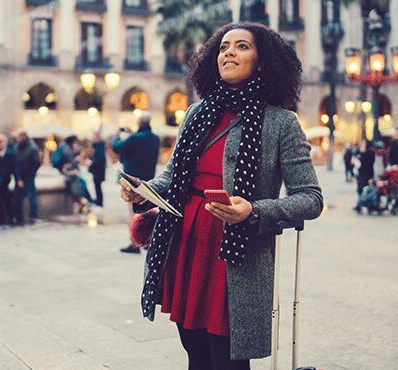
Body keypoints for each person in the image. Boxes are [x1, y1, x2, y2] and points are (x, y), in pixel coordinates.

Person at [119, 22, 322, 368]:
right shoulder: (198, 113)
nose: (228, 52)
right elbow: (173, 177)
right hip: (186, 242)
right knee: (194, 348)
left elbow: (311, 198)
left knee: (226, 357)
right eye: (224, 47)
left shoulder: (281, 123)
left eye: (242, 46)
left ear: (263, 62)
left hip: (234, 253)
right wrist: (144, 190)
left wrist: (254, 210)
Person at [112, 112, 160, 254]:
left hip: (133, 180)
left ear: (139, 123)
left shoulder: (134, 138)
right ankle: (146, 240)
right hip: (149, 178)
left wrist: (118, 135)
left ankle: (135, 243)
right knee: (146, 211)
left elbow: (116, 147)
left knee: (133, 212)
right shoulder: (156, 139)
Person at [13, 129, 42, 224]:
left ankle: (33, 215)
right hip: (19, 176)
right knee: (18, 197)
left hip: (28, 176)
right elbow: (15, 163)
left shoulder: (32, 147)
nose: (16, 139)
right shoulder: (16, 147)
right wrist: (18, 177)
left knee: (31, 196)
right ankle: (18, 216)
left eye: (18, 137)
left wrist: (30, 174)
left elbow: (37, 162)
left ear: (23, 137)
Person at [89, 131, 107, 207]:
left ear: (96, 137)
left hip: (98, 170)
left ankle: (99, 201)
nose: (91, 138)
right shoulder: (98, 145)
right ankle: (98, 200)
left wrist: (92, 162)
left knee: (98, 186)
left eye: (93, 136)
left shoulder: (99, 146)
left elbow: (100, 158)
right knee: (97, 186)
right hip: (98, 169)